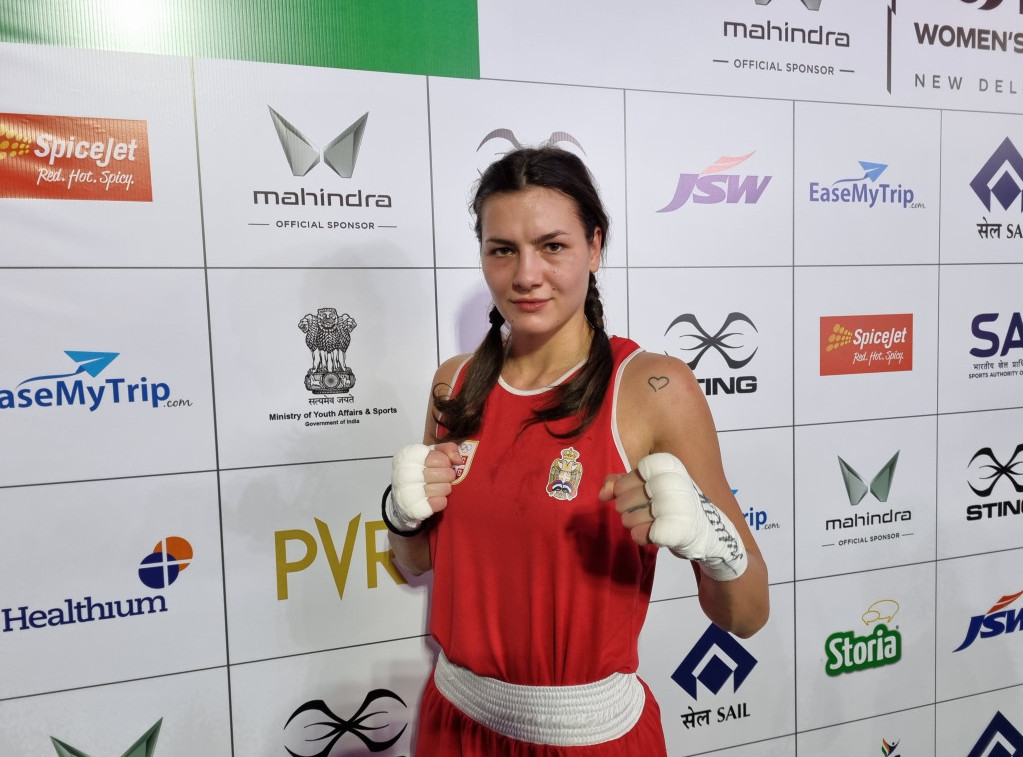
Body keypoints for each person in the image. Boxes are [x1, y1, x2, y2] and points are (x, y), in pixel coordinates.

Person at [381, 146, 769, 755]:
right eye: (502, 249)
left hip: (585, 740)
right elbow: (414, 565)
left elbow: (746, 615)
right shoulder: (454, 383)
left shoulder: (652, 387)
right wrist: (401, 517)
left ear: (594, 246)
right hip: (452, 724)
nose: (526, 275)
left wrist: (712, 539)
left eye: (552, 246)